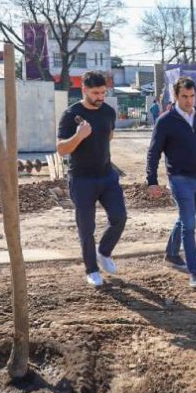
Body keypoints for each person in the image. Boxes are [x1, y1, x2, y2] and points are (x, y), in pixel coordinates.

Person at [146, 76, 196, 288]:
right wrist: (152, 180)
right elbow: (153, 153)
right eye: (184, 97)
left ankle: (172, 255)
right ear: (176, 96)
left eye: (192, 96)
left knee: (185, 219)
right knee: (189, 225)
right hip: (179, 179)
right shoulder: (165, 121)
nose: (189, 101)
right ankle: (194, 272)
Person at [57, 71, 127, 287]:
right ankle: (92, 270)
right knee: (86, 228)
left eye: (103, 93)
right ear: (84, 90)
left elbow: (109, 135)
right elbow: (61, 149)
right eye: (95, 93)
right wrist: (79, 136)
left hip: (107, 175)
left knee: (120, 217)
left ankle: (104, 252)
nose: (100, 97)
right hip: (81, 179)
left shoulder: (108, 112)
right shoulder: (71, 114)